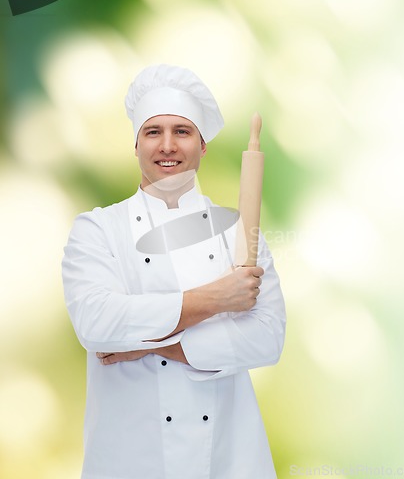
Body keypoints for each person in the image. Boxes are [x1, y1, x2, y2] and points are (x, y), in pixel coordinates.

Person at [61, 64, 286, 479]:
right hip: (130, 460)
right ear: (135, 145)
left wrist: (150, 345)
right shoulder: (96, 230)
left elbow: (267, 339)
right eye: (153, 131)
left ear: (202, 146)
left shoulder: (239, 231)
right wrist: (216, 299)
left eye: (181, 131)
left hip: (229, 459)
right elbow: (97, 324)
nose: (168, 145)